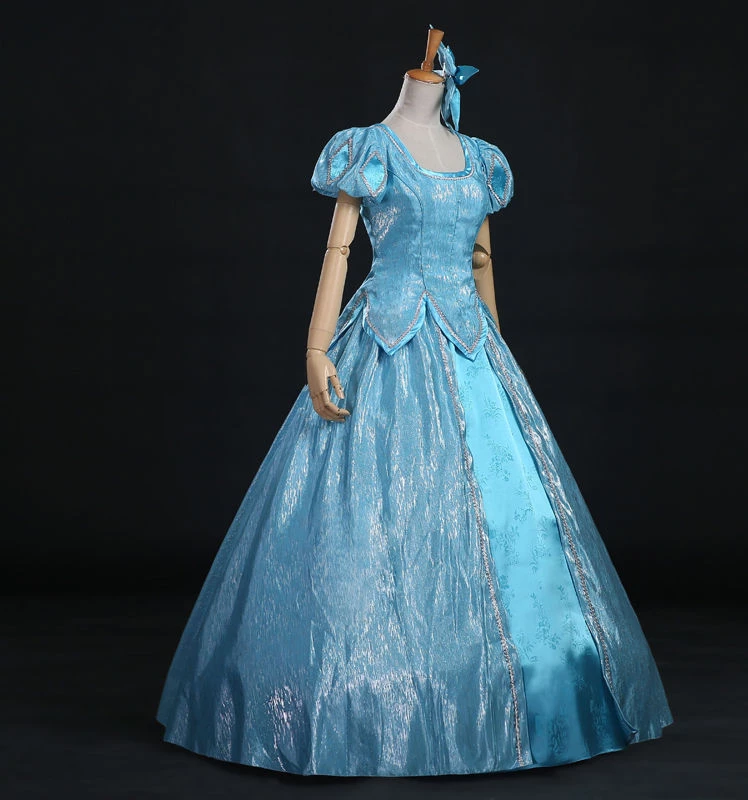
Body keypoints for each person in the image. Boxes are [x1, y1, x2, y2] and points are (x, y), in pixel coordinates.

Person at [155, 28, 673, 777]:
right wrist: (317, 348)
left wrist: (498, 355)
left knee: (505, 528)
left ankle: (509, 697)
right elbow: (338, 250)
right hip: (387, 337)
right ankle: (364, 705)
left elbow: (482, 258)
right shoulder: (369, 148)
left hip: (470, 344)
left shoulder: (481, 159)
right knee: (372, 517)